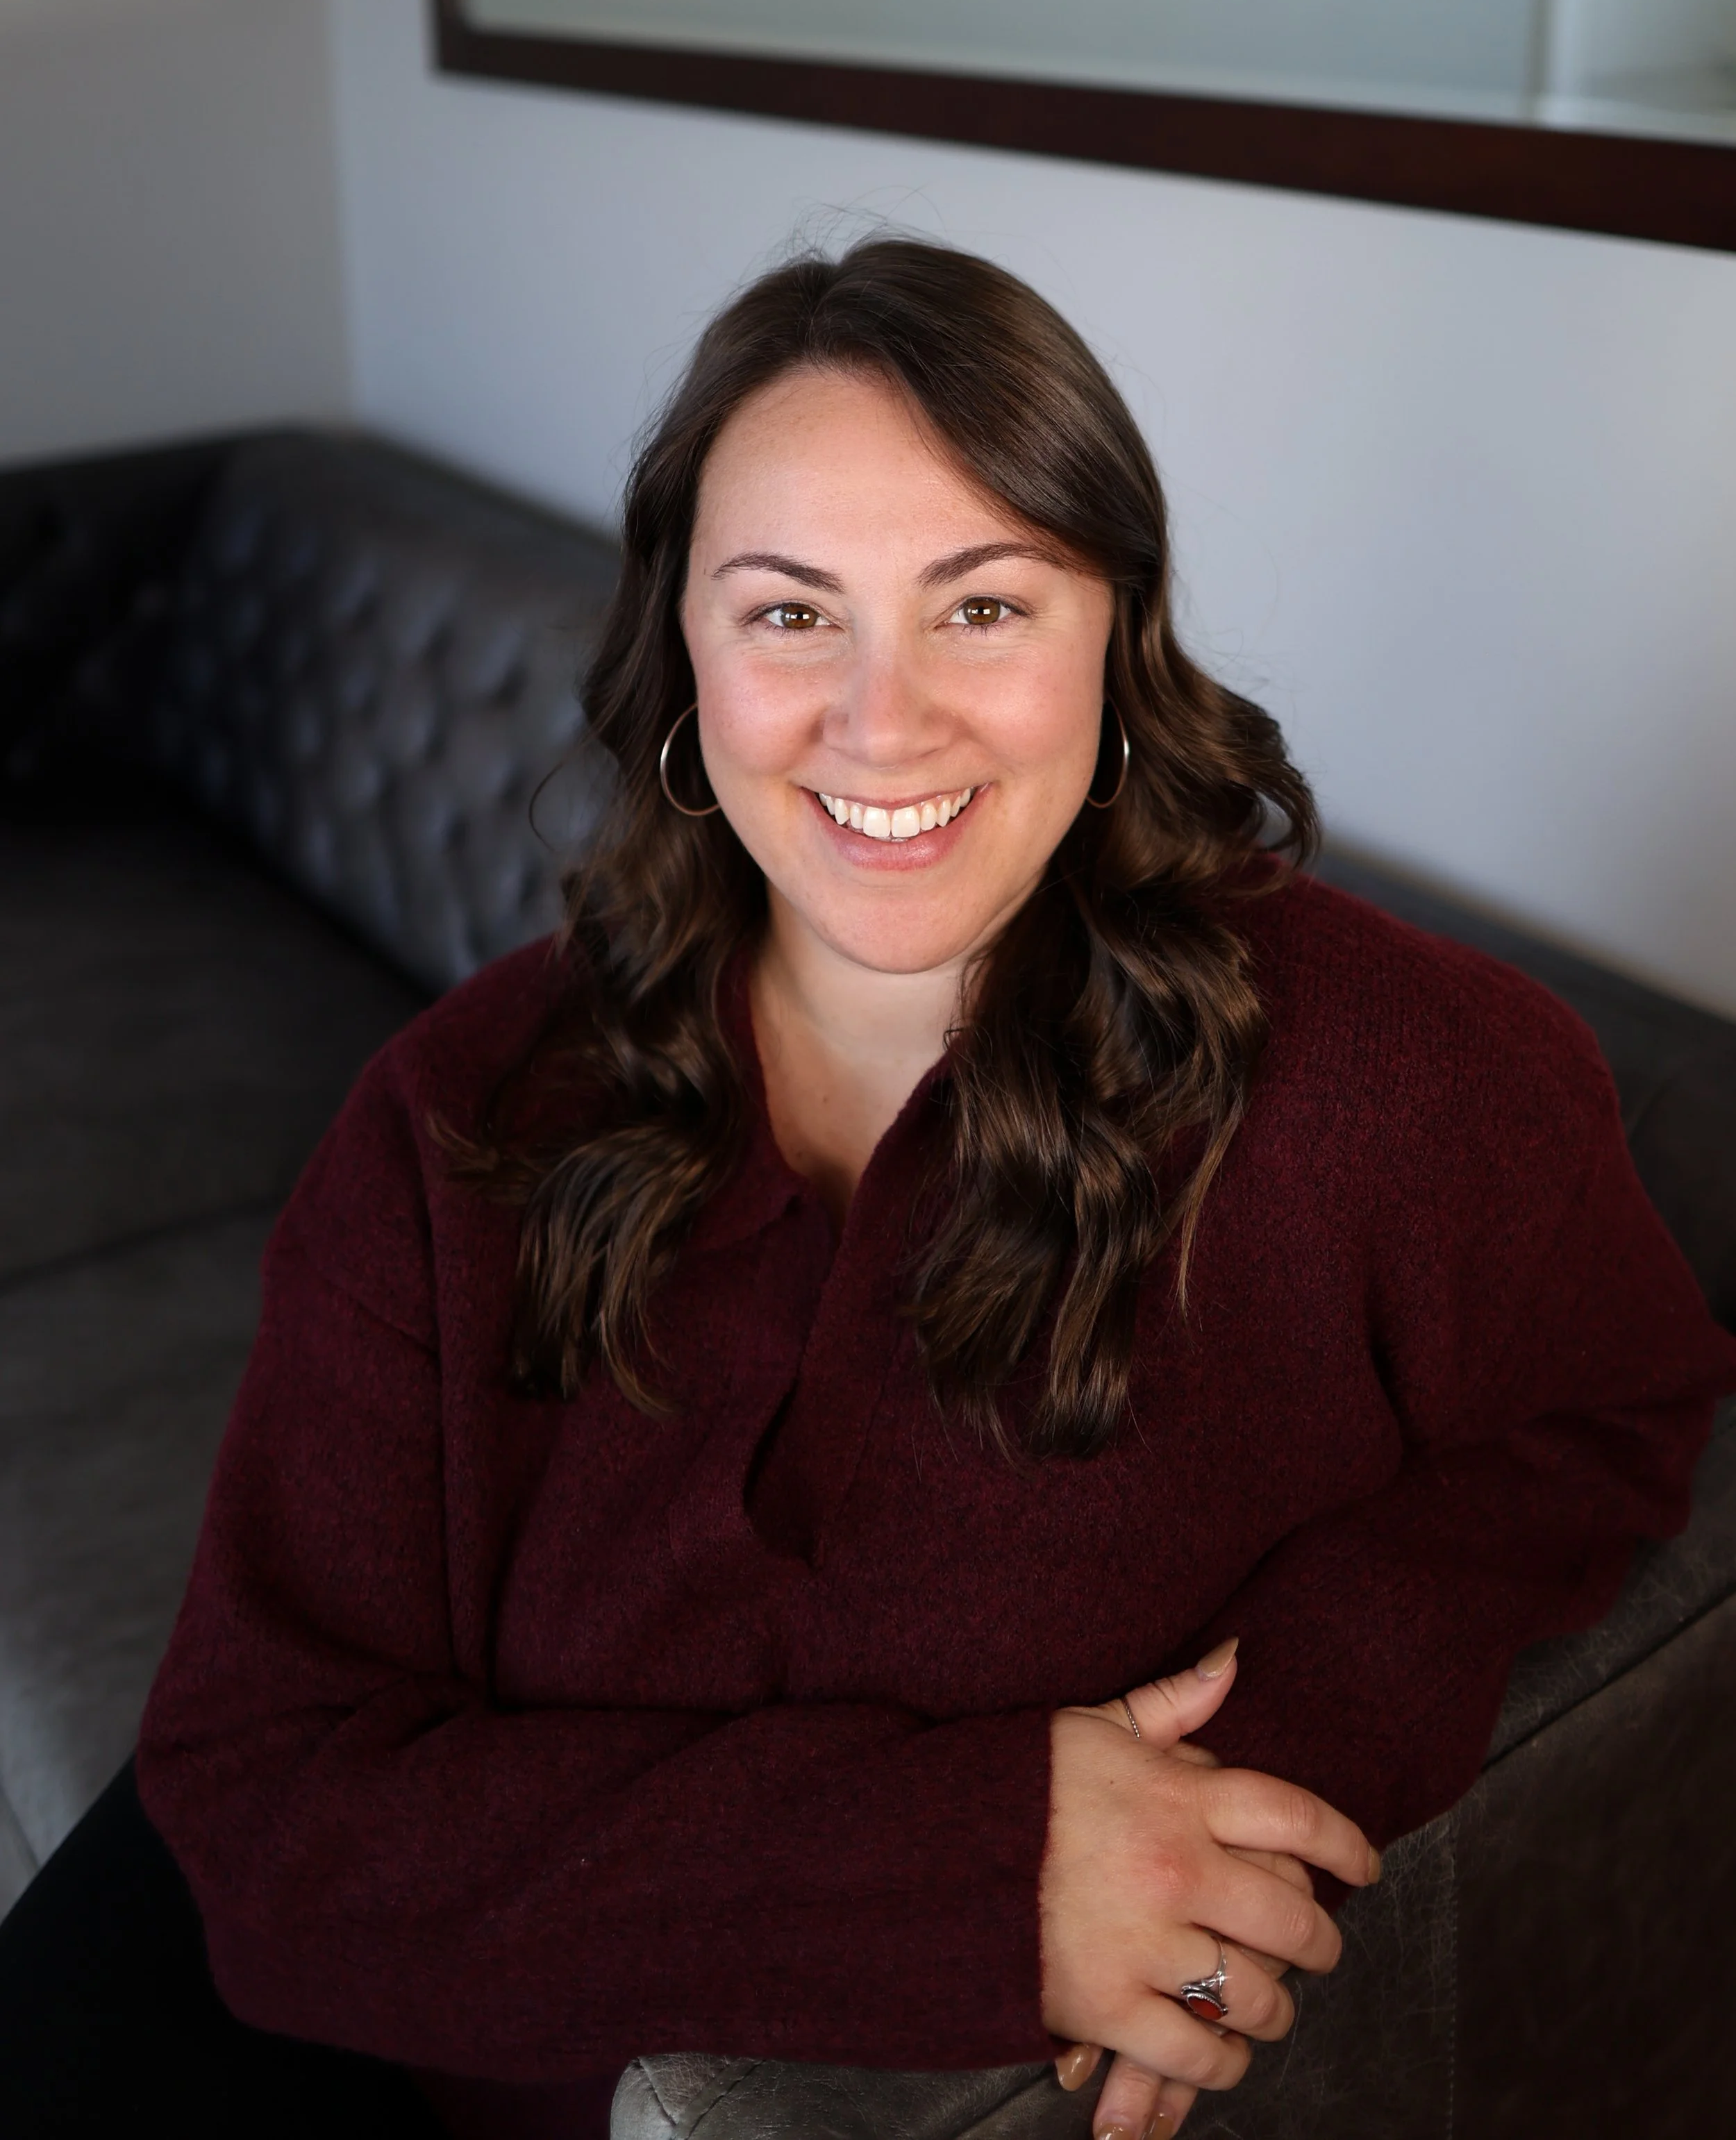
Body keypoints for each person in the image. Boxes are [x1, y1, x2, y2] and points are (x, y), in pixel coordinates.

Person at [95, 242, 1736, 2135]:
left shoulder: (1416, 1074)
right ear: (681, 657)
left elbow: (1606, 1412)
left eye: (981, 607)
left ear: (1118, 631)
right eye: (790, 614)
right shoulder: (458, 1114)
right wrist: (975, 1870)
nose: (883, 721)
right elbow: (265, 1825)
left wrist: (1280, 1767)